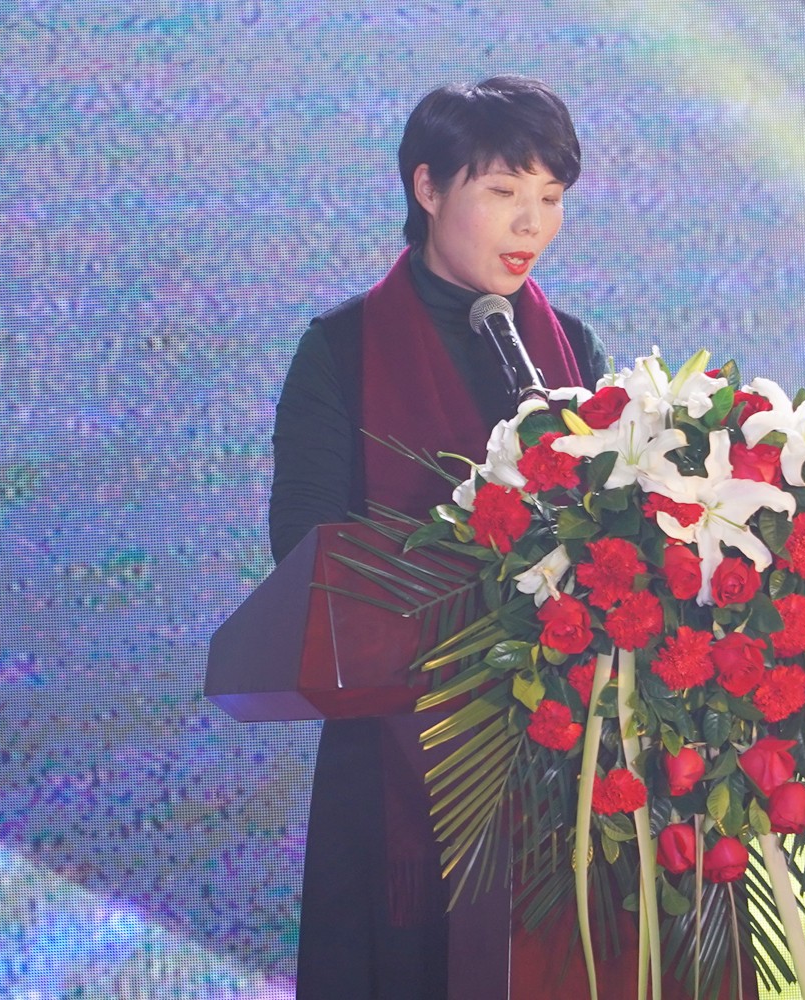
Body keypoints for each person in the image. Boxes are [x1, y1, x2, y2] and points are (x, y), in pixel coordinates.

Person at [268, 76, 607, 1000]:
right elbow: (305, 552)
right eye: (503, 192)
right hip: (394, 764)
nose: (531, 223)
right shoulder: (341, 349)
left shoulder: (573, 352)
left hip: (555, 767)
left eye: (551, 197)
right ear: (427, 187)